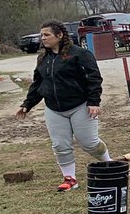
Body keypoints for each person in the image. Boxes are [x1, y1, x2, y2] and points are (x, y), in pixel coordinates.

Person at [15, 20, 113, 192]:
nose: (43, 38)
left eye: (47, 35)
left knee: (89, 143)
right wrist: (27, 104)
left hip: (80, 105)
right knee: (60, 145)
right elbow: (38, 84)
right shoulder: (43, 58)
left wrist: (93, 102)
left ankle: (109, 163)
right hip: (54, 109)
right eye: (42, 35)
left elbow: (94, 78)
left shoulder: (80, 54)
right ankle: (70, 179)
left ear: (59, 35)